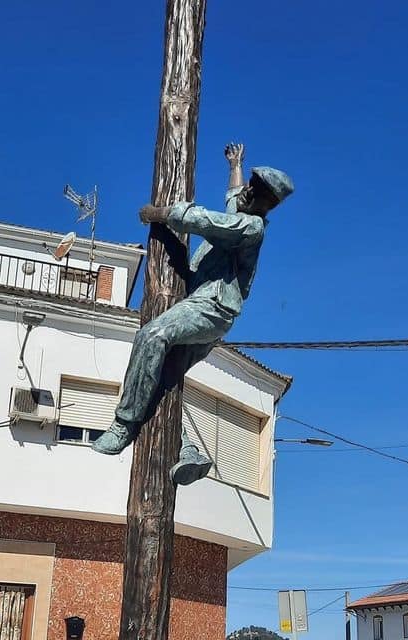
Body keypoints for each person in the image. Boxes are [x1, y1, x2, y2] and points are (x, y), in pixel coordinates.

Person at [92, 142, 294, 484]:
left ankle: (123, 425)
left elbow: (203, 220)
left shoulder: (251, 228)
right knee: (166, 379)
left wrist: (159, 214)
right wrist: (235, 164)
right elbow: (233, 195)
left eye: (254, 189)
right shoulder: (242, 212)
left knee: (152, 335)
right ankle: (189, 451)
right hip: (205, 309)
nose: (246, 189)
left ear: (265, 202)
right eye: (250, 184)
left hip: (213, 307)